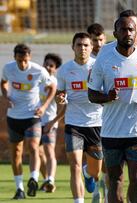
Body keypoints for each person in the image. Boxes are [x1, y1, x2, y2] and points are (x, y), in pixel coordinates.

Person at [87, 15, 137, 203]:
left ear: (136, 31)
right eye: (123, 29)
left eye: (131, 29)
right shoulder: (104, 58)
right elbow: (92, 94)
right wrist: (107, 97)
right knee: (115, 180)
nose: (127, 33)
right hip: (111, 132)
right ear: (115, 33)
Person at [1, 44, 56, 199]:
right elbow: (3, 83)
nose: (22, 64)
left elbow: (52, 87)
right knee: (16, 153)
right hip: (14, 117)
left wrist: (44, 106)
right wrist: (6, 97)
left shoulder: (39, 70)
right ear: (14, 58)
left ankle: (33, 178)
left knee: (33, 147)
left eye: (25, 60)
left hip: (33, 116)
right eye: (19, 60)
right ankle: (19, 189)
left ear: (29, 57)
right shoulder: (8, 68)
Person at [56, 32, 103, 203]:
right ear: (73, 47)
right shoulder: (64, 70)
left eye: (85, 45)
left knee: (95, 171)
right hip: (73, 124)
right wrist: (59, 98)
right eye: (78, 45)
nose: (82, 48)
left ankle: (88, 173)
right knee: (74, 165)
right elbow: (59, 93)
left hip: (96, 123)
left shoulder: (99, 67)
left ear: (91, 48)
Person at [87, 22, 107, 203]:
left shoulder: (111, 57)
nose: (98, 44)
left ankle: (106, 192)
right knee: (95, 160)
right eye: (94, 40)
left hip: (108, 117)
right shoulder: (85, 61)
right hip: (89, 119)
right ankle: (94, 188)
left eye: (101, 40)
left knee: (108, 159)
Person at [38, 53, 63, 193]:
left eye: (51, 65)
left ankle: (50, 180)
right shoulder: (37, 80)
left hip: (49, 123)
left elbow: (63, 107)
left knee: (49, 152)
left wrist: (53, 122)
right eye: (46, 64)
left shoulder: (57, 84)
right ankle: (46, 180)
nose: (47, 67)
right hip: (35, 123)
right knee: (37, 153)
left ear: (56, 69)